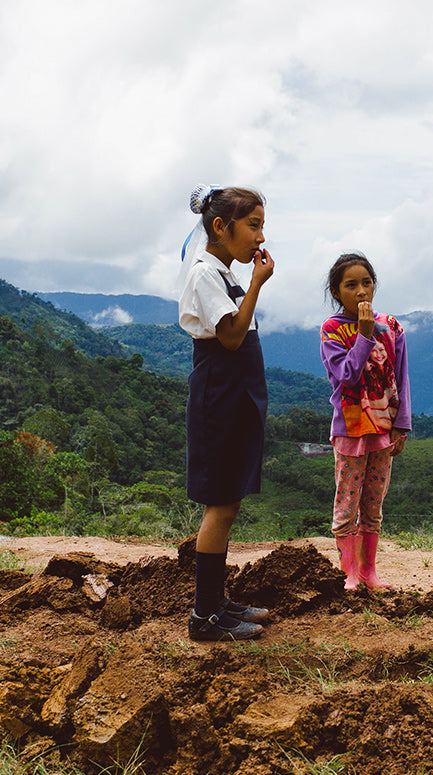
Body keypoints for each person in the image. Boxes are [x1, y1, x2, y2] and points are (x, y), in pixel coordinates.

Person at [178, 184, 274, 641]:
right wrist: (257, 284)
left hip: (235, 393)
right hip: (219, 393)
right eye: (252, 225)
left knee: (229, 501)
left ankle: (217, 602)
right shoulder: (204, 274)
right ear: (221, 226)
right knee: (219, 505)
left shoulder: (224, 273)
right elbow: (232, 337)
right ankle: (204, 617)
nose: (260, 236)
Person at [321, 252, 411, 591]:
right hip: (351, 430)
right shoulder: (332, 330)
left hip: (384, 430)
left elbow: (401, 379)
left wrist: (402, 425)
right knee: (347, 505)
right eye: (350, 285)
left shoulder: (392, 327)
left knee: (373, 504)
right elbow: (346, 376)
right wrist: (363, 335)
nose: (361, 291)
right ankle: (350, 575)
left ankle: (369, 572)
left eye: (367, 283)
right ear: (335, 292)